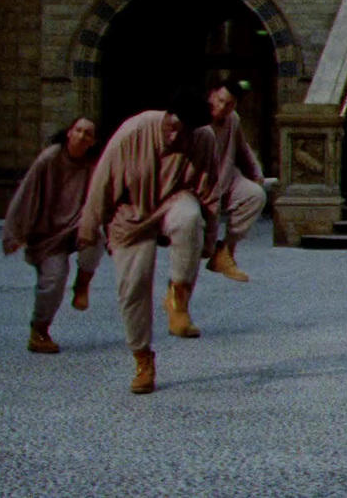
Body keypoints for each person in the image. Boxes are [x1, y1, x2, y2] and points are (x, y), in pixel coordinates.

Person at [78, 90, 217, 395]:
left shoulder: (203, 139)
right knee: (133, 286)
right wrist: (88, 231)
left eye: (184, 131)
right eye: (173, 126)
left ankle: (177, 299)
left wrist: (209, 239)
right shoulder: (135, 130)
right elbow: (101, 182)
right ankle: (143, 359)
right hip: (129, 212)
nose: (174, 135)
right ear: (168, 116)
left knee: (188, 217)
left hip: (173, 199)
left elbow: (208, 191)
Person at [1, 117, 100, 354]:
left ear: (92, 141)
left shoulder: (92, 165)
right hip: (47, 232)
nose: (81, 136)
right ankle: (39, 330)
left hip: (76, 224)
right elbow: (27, 193)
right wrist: (14, 233)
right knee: (54, 279)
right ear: (68, 133)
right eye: (78, 130)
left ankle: (82, 286)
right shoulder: (49, 158)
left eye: (88, 133)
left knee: (95, 236)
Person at [200, 78, 269, 283]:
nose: (223, 107)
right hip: (200, 182)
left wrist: (256, 172)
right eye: (220, 101)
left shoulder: (233, 119)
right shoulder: (200, 119)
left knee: (254, 195)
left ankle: (227, 251)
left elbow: (242, 148)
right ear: (212, 95)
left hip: (227, 176)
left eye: (229, 104)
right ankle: (209, 253)